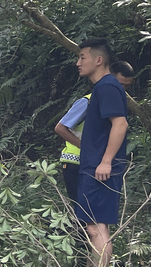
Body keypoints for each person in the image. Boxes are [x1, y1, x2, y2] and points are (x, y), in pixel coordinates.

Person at [74, 38, 129, 267]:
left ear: (98, 60)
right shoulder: (102, 88)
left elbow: (121, 124)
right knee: (93, 227)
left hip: (101, 169)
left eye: (82, 57)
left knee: (96, 229)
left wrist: (106, 161)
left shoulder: (107, 87)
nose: (78, 63)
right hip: (93, 166)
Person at [55, 60, 135, 202]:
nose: (121, 89)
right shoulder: (88, 102)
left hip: (96, 164)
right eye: (119, 84)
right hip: (76, 163)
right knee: (82, 210)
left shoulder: (115, 105)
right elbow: (60, 128)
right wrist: (86, 148)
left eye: (126, 87)